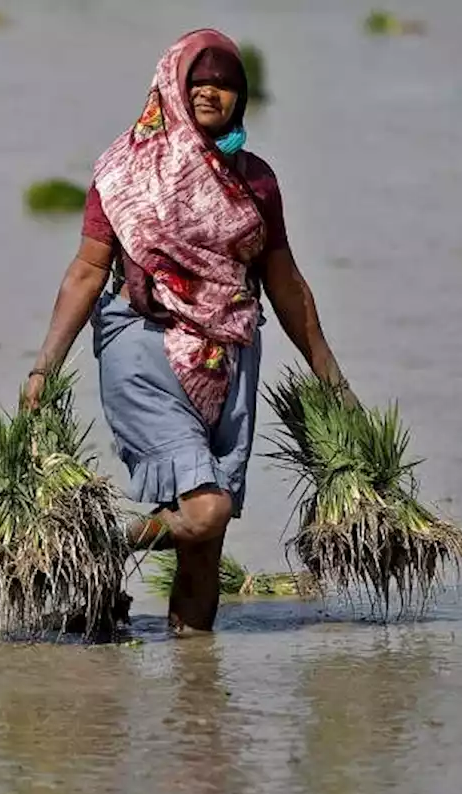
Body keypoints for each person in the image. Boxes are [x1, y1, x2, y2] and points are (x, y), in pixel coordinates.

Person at [23, 28, 355, 633]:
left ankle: (196, 701)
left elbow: (285, 284)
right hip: (142, 350)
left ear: (242, 97)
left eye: (227, 83)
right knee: (207, 510)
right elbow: (88, 271)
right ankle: (103, 548)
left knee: (207, 547)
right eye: (198, 80)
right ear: (171, 86)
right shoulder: (124, 172)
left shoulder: (255, 181)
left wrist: (330, 376)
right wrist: (45, 364)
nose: (211, 91)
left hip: (227, 358)